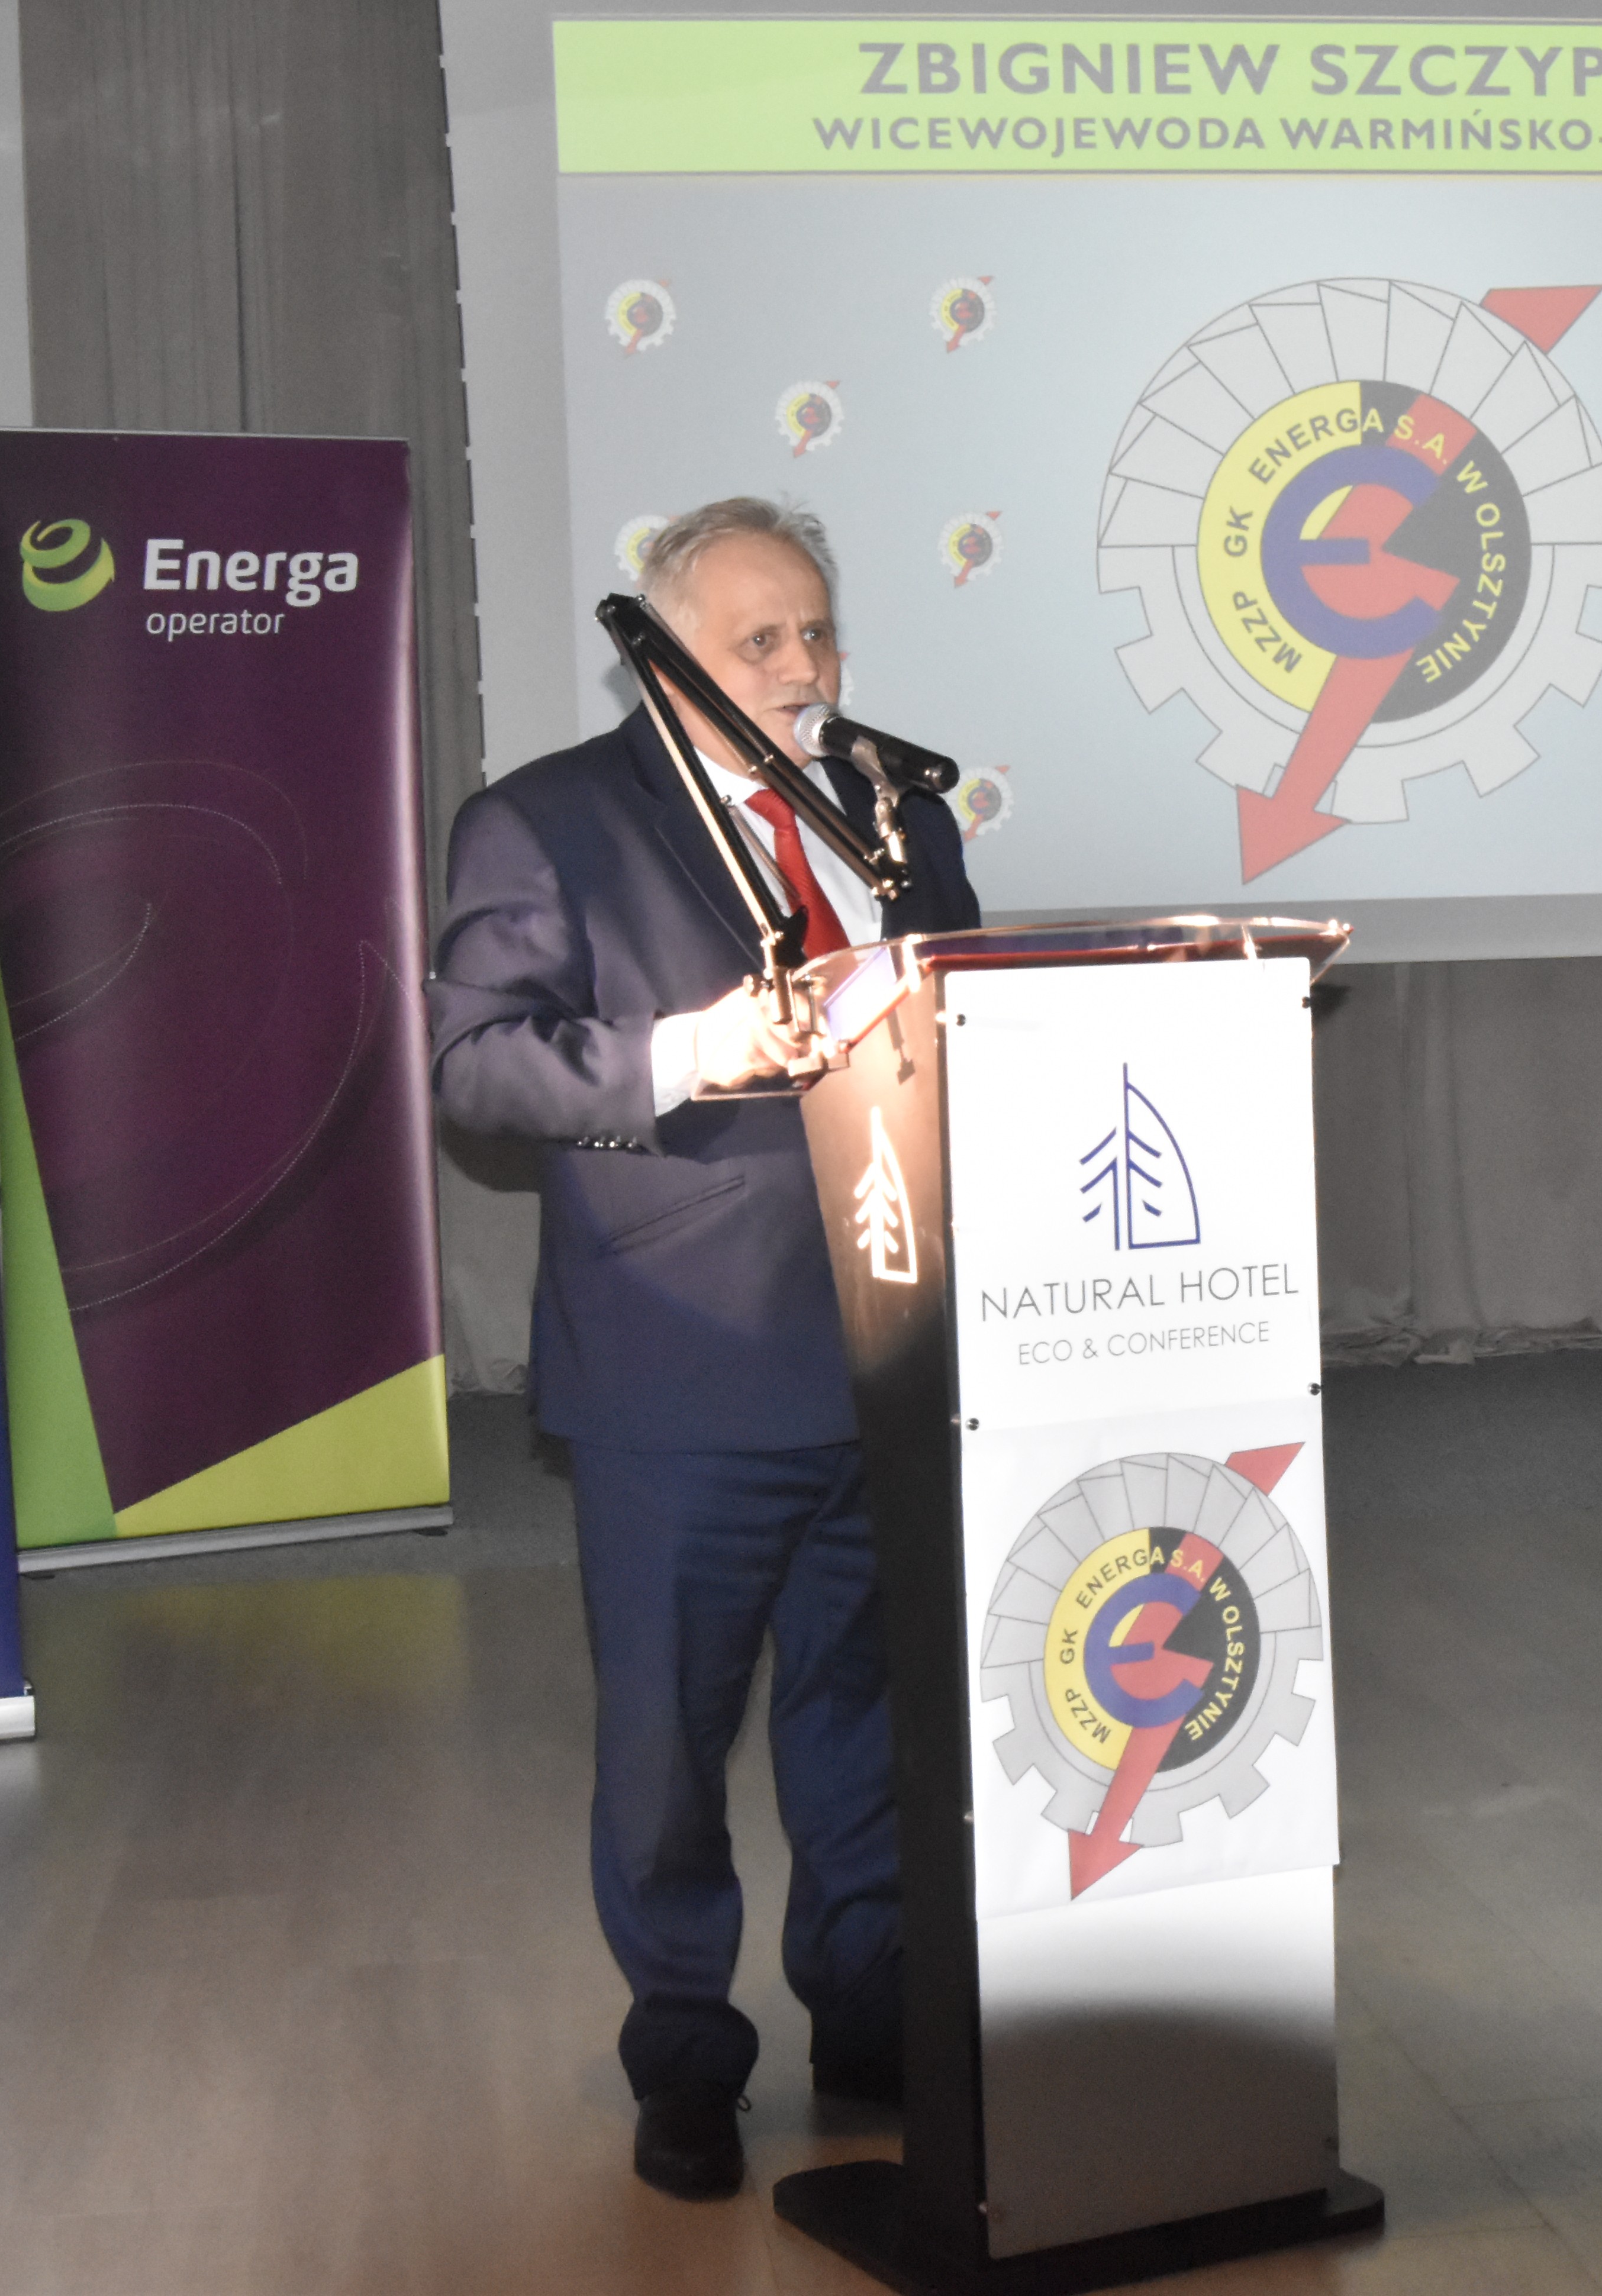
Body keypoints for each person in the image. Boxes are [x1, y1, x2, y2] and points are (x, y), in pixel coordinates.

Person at [428, 497, 980, 2195]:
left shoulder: (891, 810)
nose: (805, 667)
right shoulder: (546, 820)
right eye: (762, 641)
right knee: (669, 1749)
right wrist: (690, 1050)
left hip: (891, 1344)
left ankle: (868, 2021)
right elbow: (474, 1067)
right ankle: (683, 2054)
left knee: (863, 1727)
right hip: (681, 1366)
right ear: (665, 660)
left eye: (818, 631)